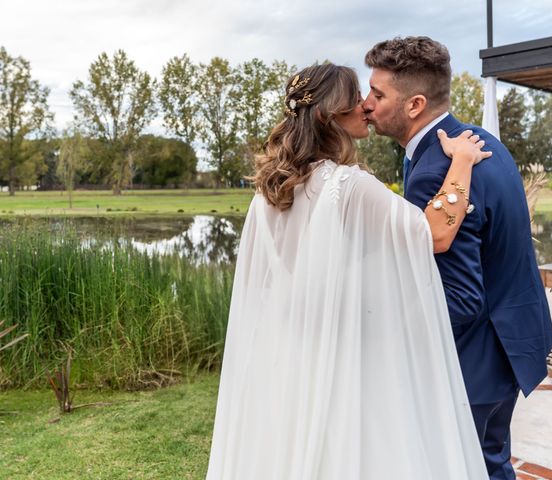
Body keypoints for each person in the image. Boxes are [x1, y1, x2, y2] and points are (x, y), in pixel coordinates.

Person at [206, 62, 491, 479]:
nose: (365, 106)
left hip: (291, 357)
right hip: (343, 358)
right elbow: (434, 234)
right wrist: (462, 161)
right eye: (354, 98)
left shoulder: (270, 191)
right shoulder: (347, 185)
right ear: (328, 116)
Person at [363, 37, 552, 480]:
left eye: (377, 94)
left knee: (469, 468)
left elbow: (460, 299)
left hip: (474, 361)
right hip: (507, 340)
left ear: (414, 105)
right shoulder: (475, 142)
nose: (367, 104)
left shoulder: (435, 168)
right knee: (491, 463)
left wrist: (392, 340)